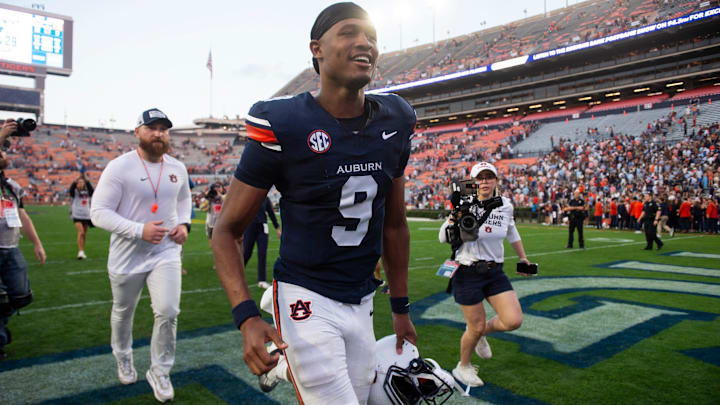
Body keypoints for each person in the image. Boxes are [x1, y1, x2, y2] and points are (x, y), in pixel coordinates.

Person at [211, 3, 417, 404]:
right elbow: (227, 230)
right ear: (317, 48)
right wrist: (246, 316)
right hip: (306, 295)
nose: (365, 43)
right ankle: (293, 349)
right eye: (350, 32)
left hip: (362, 298)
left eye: (372, 36)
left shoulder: (396, 119)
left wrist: (401, 307)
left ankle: (292, 368)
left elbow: (394, 224)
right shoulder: (283, 121)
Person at [90, 108, 191, 403]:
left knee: (169, 311)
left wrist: (183, 224)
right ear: (137, 132)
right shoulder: (119, 168)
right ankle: (123, 356)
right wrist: (138, 230)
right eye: (152, 127)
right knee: (123, 311)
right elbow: (98, 213)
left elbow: (183, 199)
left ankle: (160, 371)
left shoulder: (177, 168)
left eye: (163, 128)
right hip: (127, 255)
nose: (158, 133)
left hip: (166, 252)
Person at [438, 162, 532, 387]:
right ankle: (463, 366)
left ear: (496, 181)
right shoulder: (465, 204)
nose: (485, 181)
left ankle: (478, 333)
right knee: (476, 325)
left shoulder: (505, 205)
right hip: (467, 270)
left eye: (490, 177)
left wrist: (522, 257)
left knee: (513, 320)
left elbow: (511, 230)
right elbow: (442, 237)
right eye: (481, 177)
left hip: (494, 269)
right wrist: (456, 217)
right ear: (473, 182)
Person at [0, 148, 46, 360]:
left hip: (11, 248)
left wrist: (37, 243)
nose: (3, 154)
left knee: (20, 295)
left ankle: (2, 323)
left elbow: (23, 216)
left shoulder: (11, 187)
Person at [243, 196, 281, 289]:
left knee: (262, 253)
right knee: (246, 253)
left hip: (263, 229)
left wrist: (277, 228)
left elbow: (271, 213)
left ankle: (262, 280)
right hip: (249, 228)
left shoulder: (265, 198)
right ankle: (237, 274)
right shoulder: (248, 196)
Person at [68, 174, 95, 259]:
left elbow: (92, 190)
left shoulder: (87, 191)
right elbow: (71, 189)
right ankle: (80, 252)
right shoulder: (75, 192)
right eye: (79, 182)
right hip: (77, 214)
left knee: (84, 234)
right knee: (81, 232)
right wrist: (76, 179)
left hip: (86, 215)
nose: (80, 184)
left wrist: (86, 180)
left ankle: (81, 251)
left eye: (82, 182)